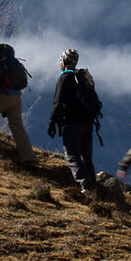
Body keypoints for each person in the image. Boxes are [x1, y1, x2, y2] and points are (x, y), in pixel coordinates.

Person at [0, 34, 36, 165]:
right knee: (17, 126)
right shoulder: (4, 54)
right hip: (16, 97)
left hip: (4, 95)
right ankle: (28, 157)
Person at [47, 48, 98, 193]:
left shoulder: (64, 78)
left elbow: (58, 102)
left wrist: (52, 122)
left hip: (72, 123)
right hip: (88, 122)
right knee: (86, 156)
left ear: (64, 61)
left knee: (72, 155)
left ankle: (85, 185)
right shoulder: (81, 78)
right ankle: (93, 185)